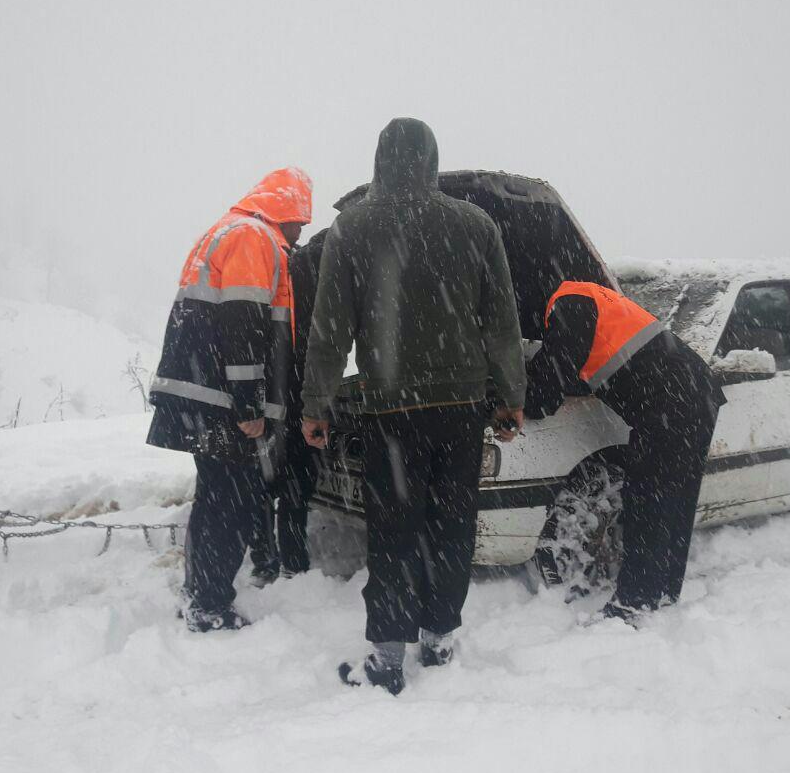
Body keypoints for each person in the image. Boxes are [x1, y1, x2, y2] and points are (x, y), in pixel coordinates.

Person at [301, 118, 525, 695]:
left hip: (392, 411)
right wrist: (510, 397)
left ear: (379, 160)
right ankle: (440, 637)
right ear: (431, 160)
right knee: (452, 524)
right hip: (462, 405)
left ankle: (388, 658)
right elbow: (501, 323)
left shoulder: (352, 229)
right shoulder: (476, 225)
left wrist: (317, 405)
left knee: (395, 529)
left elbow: (330, 331)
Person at [147, 167, 312, 632]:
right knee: (231, 503)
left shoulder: (227, 231)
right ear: (289, 212)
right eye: (302, 221)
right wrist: (248, 405)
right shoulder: (252, 238)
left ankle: (199, 594)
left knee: (215, 498)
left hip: (201, 392)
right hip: (221, 399)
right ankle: (210, 606)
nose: (303, 232)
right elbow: (244, 323)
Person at [523, 280, 725, 621]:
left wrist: (514, 402)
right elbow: (560, 359)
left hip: (670, 401)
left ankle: (634, 601)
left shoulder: (567, 306)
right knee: (675, 500)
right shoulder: (589, 298)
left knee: (650, 498)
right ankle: (663, 592)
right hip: (696, 391)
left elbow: (549, 383)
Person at [247, 229, 326, 586]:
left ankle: (266, 559)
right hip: (299, 389)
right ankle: (291, 561)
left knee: (266, 478)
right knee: (295, 482)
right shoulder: (314, 270)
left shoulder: (285, 264)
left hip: (274, 387)